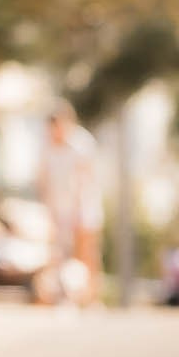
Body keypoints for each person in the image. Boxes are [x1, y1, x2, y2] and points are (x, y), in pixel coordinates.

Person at [37, 104, 105, 304]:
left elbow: (86, 179)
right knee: (58, 255)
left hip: (84, 209)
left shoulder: (81, 143)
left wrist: (79, 211)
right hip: (58, 210)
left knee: (87, 255)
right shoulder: (46, 147)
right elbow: (44, 181)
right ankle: (63, 296)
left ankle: (92, 298)